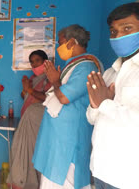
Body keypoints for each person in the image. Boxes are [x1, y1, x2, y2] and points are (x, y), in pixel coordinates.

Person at [32, 24, 103, 189]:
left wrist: (55, 81)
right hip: (59, 138)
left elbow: (63, 97)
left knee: (64, 180)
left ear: (71, 42)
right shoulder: (74, 65)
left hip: (69, 140)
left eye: (60, 42)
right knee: (51, 179)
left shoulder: (86, 67)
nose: (59, 47)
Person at [86, 2, 139, 189]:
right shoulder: (110, 72)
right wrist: (95, 105)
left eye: (127, 28)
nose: (118, 36)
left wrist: (104, 104)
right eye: (113, 32)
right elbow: (92, 118)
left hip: (128, 176)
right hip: (100, 168)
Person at [8, 50, 51, 189]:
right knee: (19, 149)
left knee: (33, 152)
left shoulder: (50, 78)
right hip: (27, 118)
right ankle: (22, 181)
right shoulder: (32, 78)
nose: (33, 64)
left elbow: (49, 99)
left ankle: (33, 183)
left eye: (37, 60)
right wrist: (25, 90)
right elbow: (28, 98)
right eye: (31, 62)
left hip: (39, 122)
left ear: (45, 61)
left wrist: (30, 90)